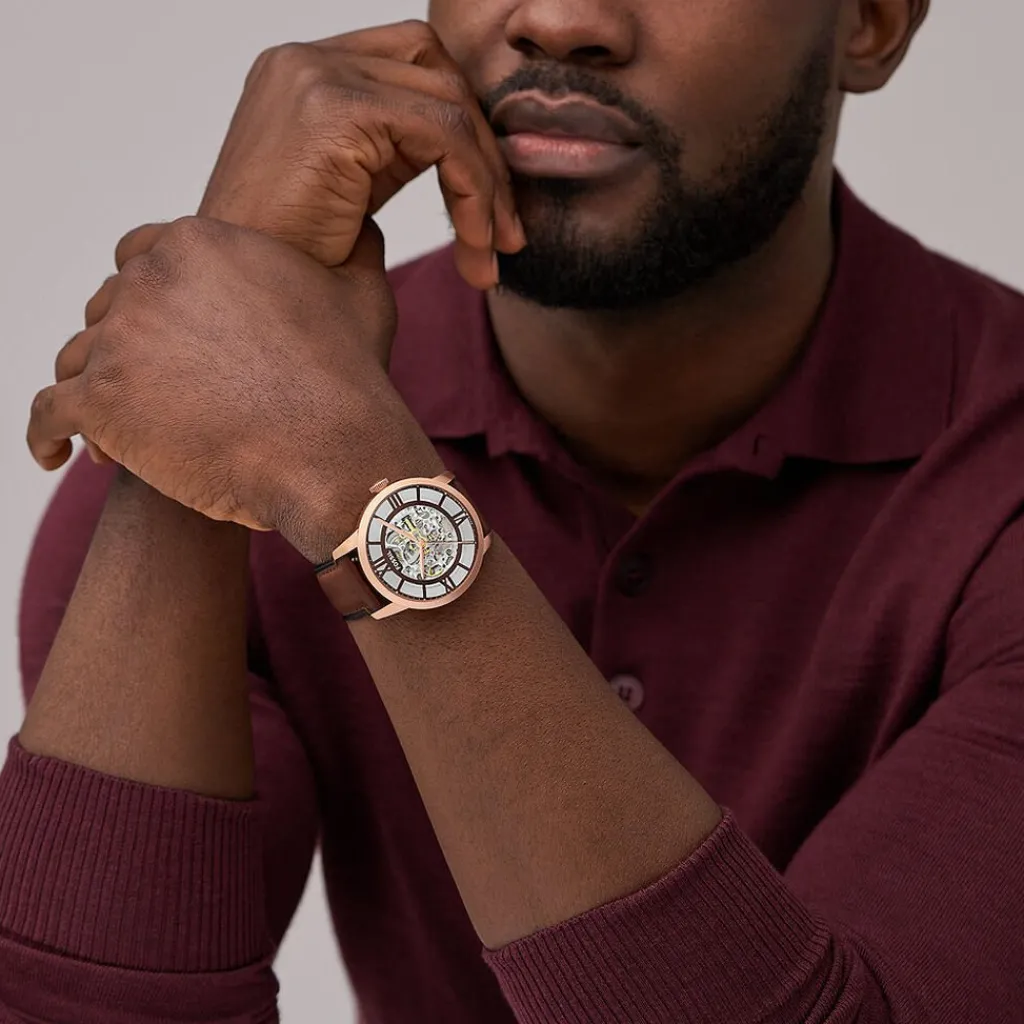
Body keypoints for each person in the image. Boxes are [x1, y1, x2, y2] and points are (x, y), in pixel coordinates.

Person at [2, 1, 1022, 1021]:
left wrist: (356, 490)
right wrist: (217, 310)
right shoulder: (250, 420)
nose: (562, 19)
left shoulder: (995, 474)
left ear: (870, 23)